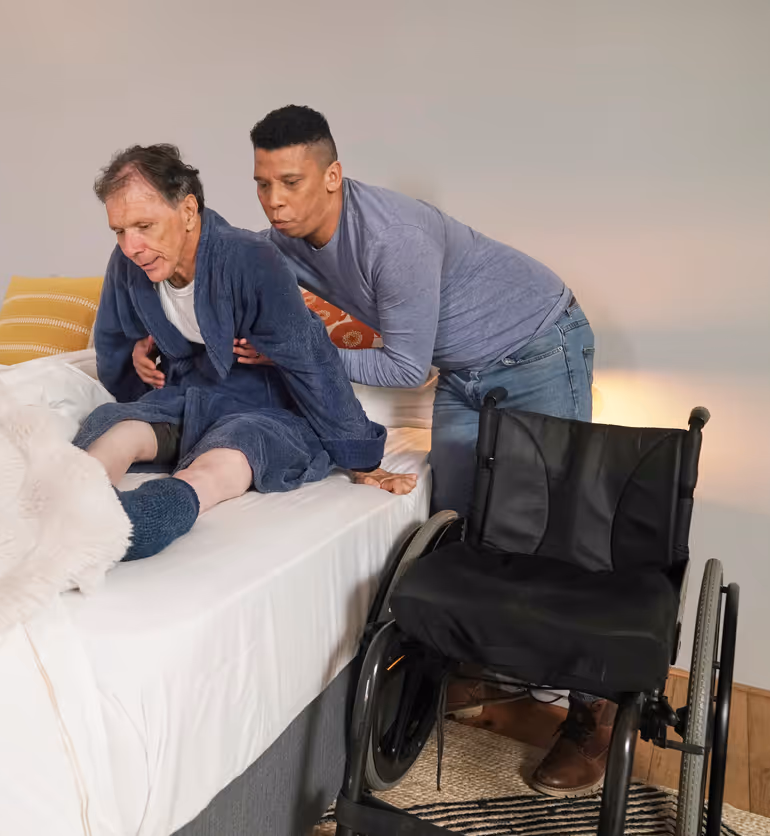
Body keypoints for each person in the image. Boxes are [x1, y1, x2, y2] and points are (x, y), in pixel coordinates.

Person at [240, 104, 604, 798]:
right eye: (263, 184)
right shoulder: (282, 239)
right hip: (468, 372)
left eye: (290, 182)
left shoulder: (392, 238)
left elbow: (408, 369)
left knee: (558, 530)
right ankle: (479, 660)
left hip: (537, 346)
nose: (276, 201)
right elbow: (223, 257)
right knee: (463, 523)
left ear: (333, 176)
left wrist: (299, 351)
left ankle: (592, 715)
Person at [74, 144, 417, 563]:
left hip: (263, 405)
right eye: (119, 230)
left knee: (232, 452)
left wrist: (362, 459)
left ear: (187, 211)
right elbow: (114, 340)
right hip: (189, 395)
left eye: (144, 225)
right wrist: (135, 360)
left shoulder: (252, 259)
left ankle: (148, 518)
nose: (132, 246)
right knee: (115, 425)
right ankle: (70, 502)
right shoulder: (128, 264)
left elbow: (311, 358)